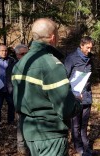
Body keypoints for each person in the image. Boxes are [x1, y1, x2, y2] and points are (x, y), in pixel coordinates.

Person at [11, 18, 82, 156]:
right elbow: (66, 109)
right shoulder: (51, 65)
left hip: (29, 134)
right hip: (50, 135)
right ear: (53, 37)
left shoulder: (19, 64)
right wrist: (77, 101)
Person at [64, 36, 94, 156]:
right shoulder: (71, 58)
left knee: (84, 124)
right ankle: (78, 147)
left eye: (91, 48)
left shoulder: (91, 59)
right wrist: (71, 92)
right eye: (87, 48)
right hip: (74, 97)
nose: (89, 50)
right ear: (81, 46)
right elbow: (64, 76)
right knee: (75, 124)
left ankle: (86, 147)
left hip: (87, 96)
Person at [7, 44, 29, 155]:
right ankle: (21, 148)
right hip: (19, 101)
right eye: (22, 54)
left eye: (27, 53)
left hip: (31, 101)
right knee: (21, 124)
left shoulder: (33, 65)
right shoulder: (12, 67)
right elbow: (10, 84)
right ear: (16, 55)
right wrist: (15, 100)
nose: (25, 56)